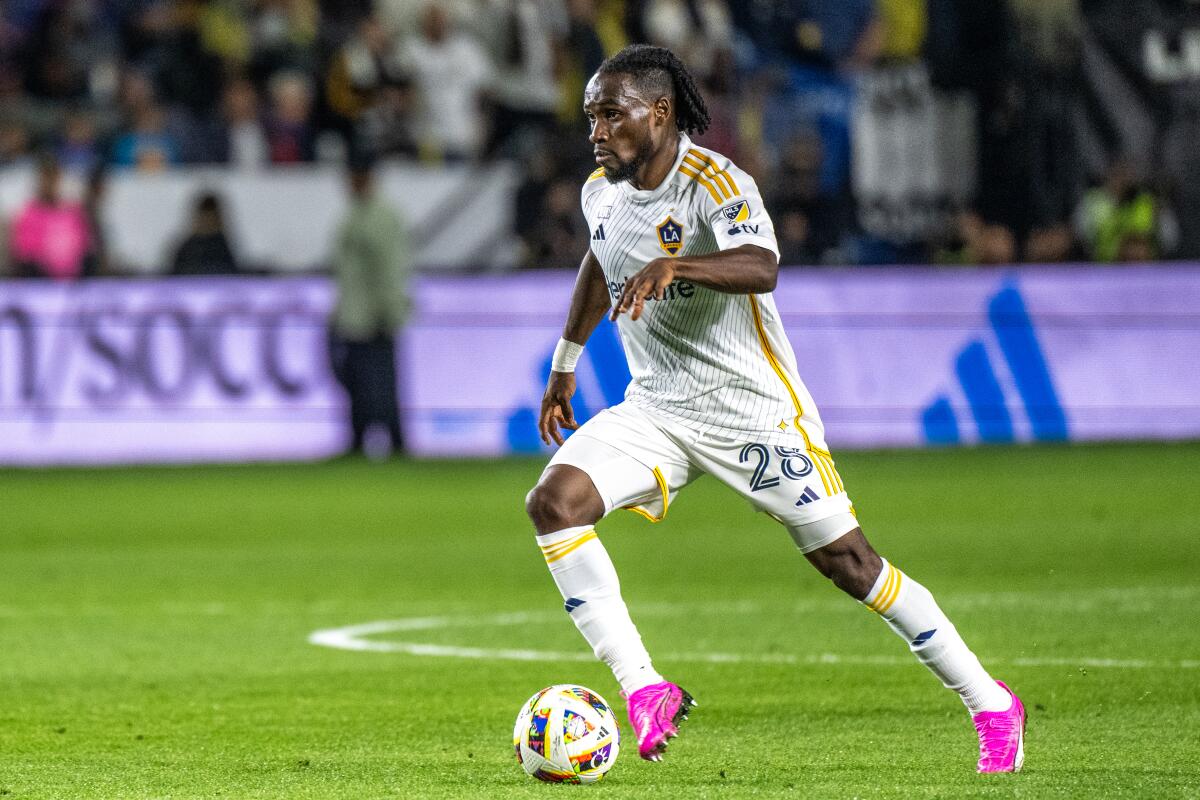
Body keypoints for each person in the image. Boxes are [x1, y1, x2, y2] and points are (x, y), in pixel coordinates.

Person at [524, 45, 1026, 773]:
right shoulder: (601, 192)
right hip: (658, 408)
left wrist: (677, 264)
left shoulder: (715, 180)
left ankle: (989, 702)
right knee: (554, 503)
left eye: (611, 113)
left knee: (850, 564)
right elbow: (601, 261)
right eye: (590, 117)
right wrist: (564, 365)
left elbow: (763, 265)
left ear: (659, 113)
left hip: (751, 412)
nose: (596, 131)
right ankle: (644, 690)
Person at [328, 156, 409, 456]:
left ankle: (395, 442)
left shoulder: (382, 218)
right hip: (353, 316)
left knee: (382, 385)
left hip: (375, 316)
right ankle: (359, 440)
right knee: (358, 384)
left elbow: (390, 269)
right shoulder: (353, 216)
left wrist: (388, 310)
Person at [170, 192, 239, 276]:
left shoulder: (223, 247)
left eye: (212, 218)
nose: (208, 221)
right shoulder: (187, 248)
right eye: (205, 217)